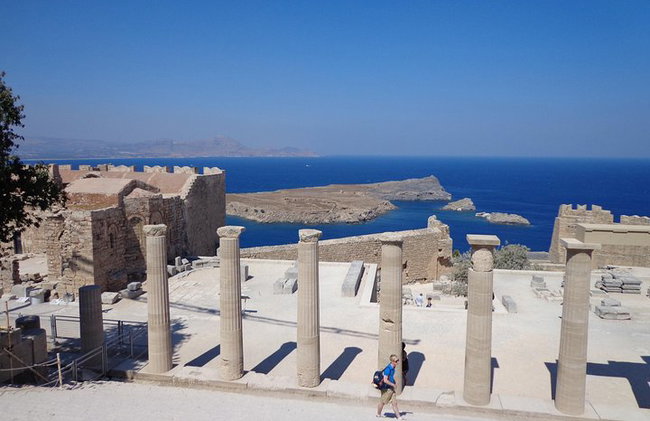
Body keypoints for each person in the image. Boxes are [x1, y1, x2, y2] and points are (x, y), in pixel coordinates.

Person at [376, 354, 404, 419]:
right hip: (387, 388)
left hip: (391, 388)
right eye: (396, 361)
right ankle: (378, 413)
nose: (398, 362)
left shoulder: (393, 368)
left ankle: (399, 417)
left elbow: (390, 377)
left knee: (394, 403)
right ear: (392, 361)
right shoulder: (388, 369)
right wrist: (393, 384)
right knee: (382, 402)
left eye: (398, 360)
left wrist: (393, 382)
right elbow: (385, 380)